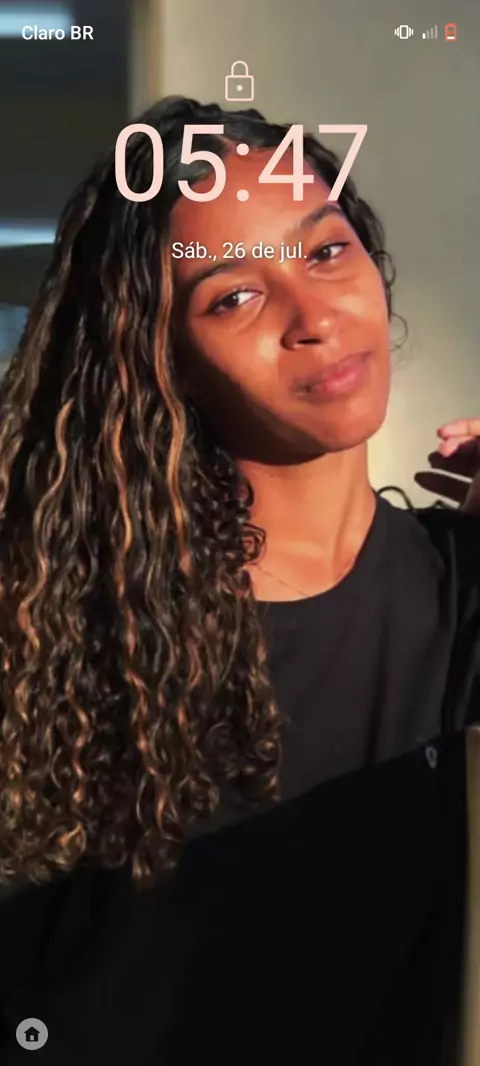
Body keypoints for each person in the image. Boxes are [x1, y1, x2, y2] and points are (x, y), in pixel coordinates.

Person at [0, 96, 479, 1065]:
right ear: (161, 360)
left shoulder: (461, 592)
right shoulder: (61, 632)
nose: (315, 318)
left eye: (327, 251)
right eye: (233, 297)